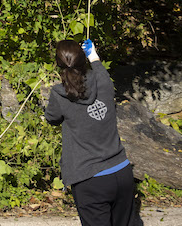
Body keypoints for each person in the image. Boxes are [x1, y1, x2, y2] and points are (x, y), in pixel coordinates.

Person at [45, 38, 137, 226]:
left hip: (90, 180)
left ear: (58, 64)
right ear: (83, 60)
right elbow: (97, 64)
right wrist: (92, 53)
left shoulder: (59, 93)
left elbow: (51, 118)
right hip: (123, 172)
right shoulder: (103, 80)